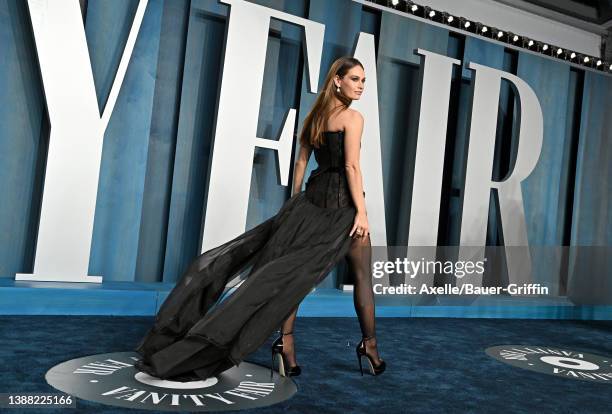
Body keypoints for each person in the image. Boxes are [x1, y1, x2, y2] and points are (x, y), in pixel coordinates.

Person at [134, 56, 385, 381]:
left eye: (363, 80)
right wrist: (362, 213)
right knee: (362, 278)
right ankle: (370, 346)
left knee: (292, 278)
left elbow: (301, 163)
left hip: (307, 206)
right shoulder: (353, 118)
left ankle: (287, 345)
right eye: (355, 79)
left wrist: (296, 205)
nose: (361, 86)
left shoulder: (316, 117)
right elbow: (351, 166)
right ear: (337, 81)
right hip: (342, 209)